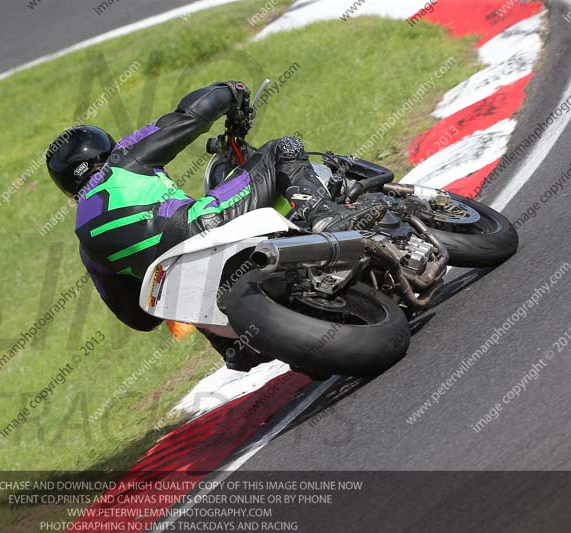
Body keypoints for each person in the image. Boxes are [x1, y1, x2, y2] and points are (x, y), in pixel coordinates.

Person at [46, 81, 386, 372]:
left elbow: (139, 319)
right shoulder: (123, 159)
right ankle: (327, 216)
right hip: (200, 227)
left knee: (176, 298)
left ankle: (268, 330)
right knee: (280, 150)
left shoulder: (86, 245)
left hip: (190, 295)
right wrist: (231, 92)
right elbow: (190, 116)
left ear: (66, 188)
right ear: (106, 148)